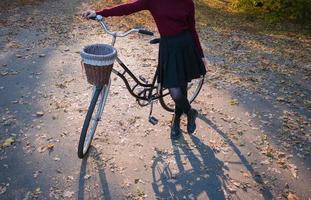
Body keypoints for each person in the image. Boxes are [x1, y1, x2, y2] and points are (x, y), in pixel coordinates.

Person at [82, 0, 207, 139]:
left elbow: (192, 28)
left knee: (181, 87)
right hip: (169, 48)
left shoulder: (187, 2)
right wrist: (99, 13)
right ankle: (190, 112)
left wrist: (200, 54)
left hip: (185, 45)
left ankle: (176, 120)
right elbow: (127, 8)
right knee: (176, 92)